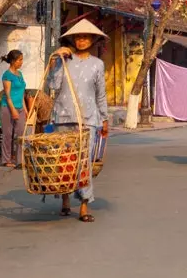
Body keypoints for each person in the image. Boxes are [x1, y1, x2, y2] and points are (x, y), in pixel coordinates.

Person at [48, 19, 108, 223]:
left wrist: (105, 118)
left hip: (88, 119)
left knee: (84, 164)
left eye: (85, 37)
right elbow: (53, 85)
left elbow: (101, 94)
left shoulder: (98, 64)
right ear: (73, 39)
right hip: (62, 117)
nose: (81, 40)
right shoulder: (63, 61)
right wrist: (55, 62)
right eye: (78, 37)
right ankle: (65, 200)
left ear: (92, 40)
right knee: (64, 161)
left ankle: (84, 205)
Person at [0, 50, 26, 168]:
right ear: (12, 61)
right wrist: (13, 110)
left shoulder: (20, 74)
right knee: (8, 134)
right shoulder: (7, 75)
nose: (21, 62)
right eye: (19, 60)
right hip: (7, 107)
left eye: (21, 59)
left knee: (21, 134)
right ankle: (6, 160)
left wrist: (24, 108)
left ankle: (20, 161)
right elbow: (8, 94)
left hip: (20, 107)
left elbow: (22, 93)